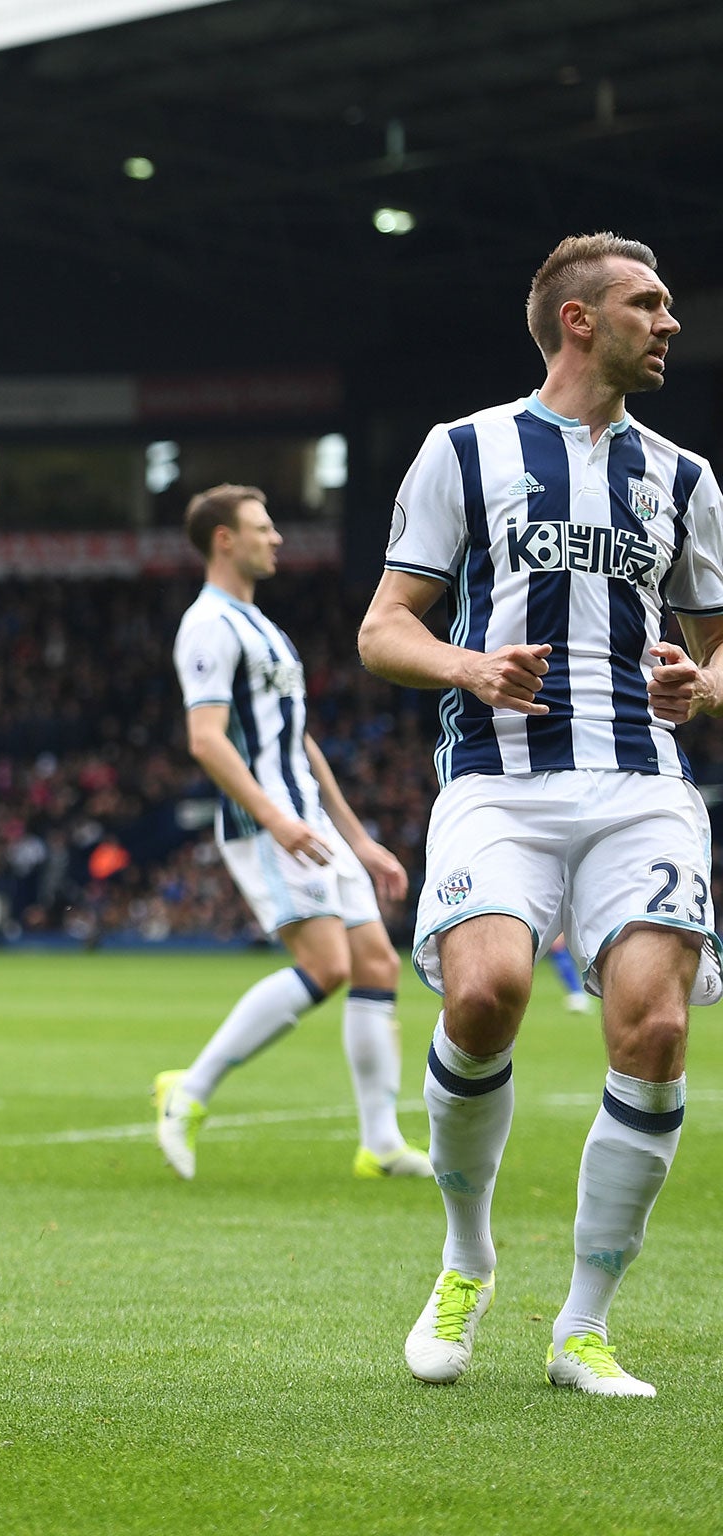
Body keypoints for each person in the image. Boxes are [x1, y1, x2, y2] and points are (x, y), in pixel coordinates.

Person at [361, 232, 722, 1397]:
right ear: (578, 320)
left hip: (640, 784)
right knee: (484, 994)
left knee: (655, 1034)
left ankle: (580, 1324)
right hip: (498, 781)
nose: (667, 322)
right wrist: (467, 669)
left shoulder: (683, 477)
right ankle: (464, 1259)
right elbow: (383, 630)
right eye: (646, 303)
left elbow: (719, 652)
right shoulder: (460, 451)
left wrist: (703, 686)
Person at [156, 486, 429, 1182]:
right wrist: (277, 819)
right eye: (262, 526)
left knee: (377, 966)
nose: (276, 538)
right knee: (328, 966)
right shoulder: (209, 625)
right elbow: (205, 740)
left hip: (308, 821)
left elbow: (298, 742)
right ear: (224, 539)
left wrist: (359, 839)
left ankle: (380, 1142)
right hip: (266, 822)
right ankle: (188, 1091)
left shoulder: (263, 627)